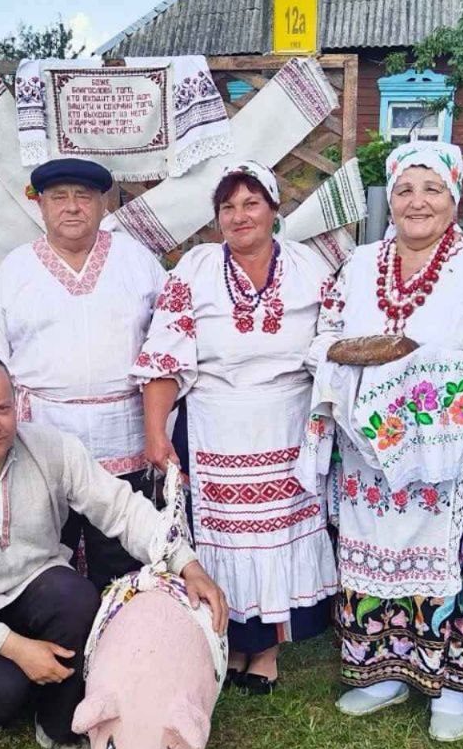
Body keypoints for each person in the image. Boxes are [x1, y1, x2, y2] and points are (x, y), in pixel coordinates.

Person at [0, 350, 227, 749]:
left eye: (2, 408)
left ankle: (59, 725)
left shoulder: (50, 447)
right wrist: (20, 651)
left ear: (16, 404)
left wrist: (185, 563)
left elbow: (119, 507)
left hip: (36, 585)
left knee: (77, 598)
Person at [306, 141, 463, 740]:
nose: (417, 201)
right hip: (371, 447)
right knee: (374, 547)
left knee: (454, 560)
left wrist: (421, 366)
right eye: (404, 190)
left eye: (432, 189)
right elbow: (324, 334)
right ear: (390, 199)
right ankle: (383, 669)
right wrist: (359, 362)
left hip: (454, 447)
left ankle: (449, 685)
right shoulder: (357, 263)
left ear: (454, 198)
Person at [134, 161, 339, 694]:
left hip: (287, 423)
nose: (239, 215)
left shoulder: (310, 268)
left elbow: (336, 341)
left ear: (274, 209)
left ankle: (266, 649)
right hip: (214, 423)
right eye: (227, 207)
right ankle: (222, 642)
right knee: (219, 539)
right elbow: (165, 357)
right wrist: (157, 435)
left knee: (275, 537)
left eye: (251, 203)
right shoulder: (194, 270)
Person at [0, 158, 165, 590]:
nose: (72, 207)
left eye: (83, 197)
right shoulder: (15, 270)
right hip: (43, 438)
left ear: (103, 205)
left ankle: (123, 648)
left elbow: (168, 340)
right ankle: (59, 648)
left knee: (121, 554)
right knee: (47, 556)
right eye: (59, 197)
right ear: (41, 206)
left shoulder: (137, 261)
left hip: (123, 435)